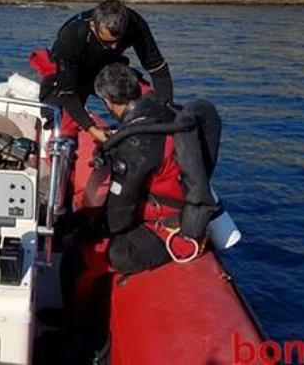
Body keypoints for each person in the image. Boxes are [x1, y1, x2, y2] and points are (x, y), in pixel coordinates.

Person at [59, 63, 216, 363]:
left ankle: (78, 332)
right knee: (82, 228)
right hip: (173, 214)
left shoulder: (137, 142)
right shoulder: (166, 114)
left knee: (79, 256)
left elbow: (119, 216)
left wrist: (84, 232)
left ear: (108, 101)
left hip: (164, 232)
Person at [32, 0, 173, 142]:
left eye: (119, 41)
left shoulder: (135, 24)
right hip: (73, 73)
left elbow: (158, 70)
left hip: (109, 67)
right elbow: (68, 93)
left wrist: (165, 111)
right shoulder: (70, 38)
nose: (114, 46)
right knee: (65, 124)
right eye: (107, 42)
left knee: (147, 98)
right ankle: (63, 151)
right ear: (93, 26)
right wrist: (92, 129)